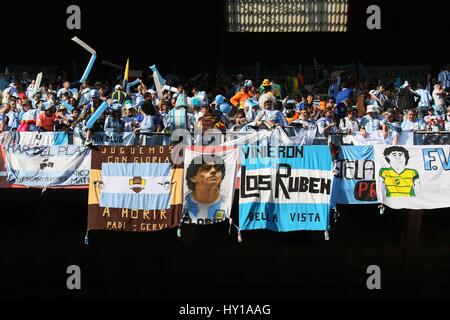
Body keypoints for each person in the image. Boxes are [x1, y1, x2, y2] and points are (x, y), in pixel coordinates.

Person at [184, 157, 228, 223]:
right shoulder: (183, 204)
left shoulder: (228, 203)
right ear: (193, 177)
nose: (213, 171)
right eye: (206, 168)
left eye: (218, 169)